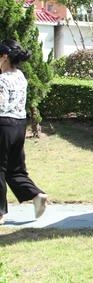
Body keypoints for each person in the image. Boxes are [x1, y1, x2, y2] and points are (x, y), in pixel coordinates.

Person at [0, 40, 48, 225]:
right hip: (19, 125)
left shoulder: (2, 79)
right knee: (15, 169)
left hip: (2, 124)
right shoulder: (21, 76)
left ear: (4, 57)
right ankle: (37, 195)